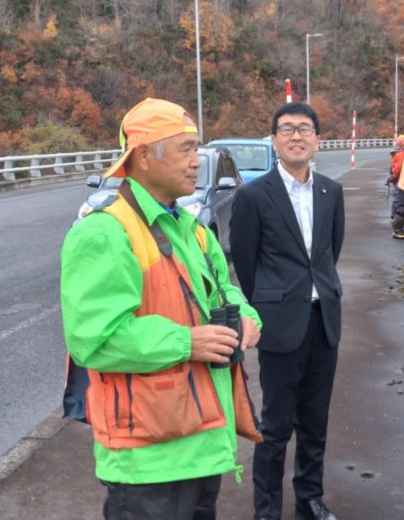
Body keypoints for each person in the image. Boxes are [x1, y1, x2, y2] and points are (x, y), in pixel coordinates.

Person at [60, 97, 263, 520]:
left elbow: (225, 290)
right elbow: (95, 340)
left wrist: (247, 316)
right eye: (186, 149)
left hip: (203, 442)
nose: (197, 161)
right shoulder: (105, 233)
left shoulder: (191, 228)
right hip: (147, 458)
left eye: (197, 148)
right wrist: (187, 342)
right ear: (143, 157)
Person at [229, 102, 345, 520]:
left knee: (315, 421)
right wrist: (270, 304)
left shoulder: (331, 191)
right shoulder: (253, 196)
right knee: (275, 426)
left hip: (323, 321)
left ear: (317, 139)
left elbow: (330, 251)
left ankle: (310, 499)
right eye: (287, 129)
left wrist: (320, 292)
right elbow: (246, 264)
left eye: (305, 129)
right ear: (275, 139)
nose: (297, 136)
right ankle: (267, 510)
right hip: (280, 325)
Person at [386, 134, 404, 218]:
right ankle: (396, 216)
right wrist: (393, 177)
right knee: (399, 197)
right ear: (403, 143)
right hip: (399, 178)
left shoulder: (398, 153)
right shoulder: (401, 154)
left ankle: (395, 215)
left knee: (398, 196)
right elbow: (398, 168)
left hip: (397, 178)